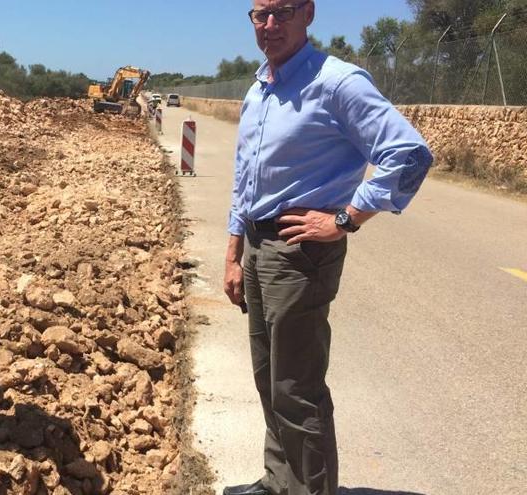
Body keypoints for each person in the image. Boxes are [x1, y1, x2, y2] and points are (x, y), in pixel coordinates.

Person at [222, 1, 432, 494]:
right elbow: (245, 180)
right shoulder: (260, 87)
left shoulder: (337, 82)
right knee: (268, 377)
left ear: (309, 13)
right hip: (257, 245)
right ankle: (279, 482)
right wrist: (233, 252)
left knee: (298, 390)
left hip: (299, 254)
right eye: (259, 15)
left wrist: (345, 218)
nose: (270, 25)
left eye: (283, 11)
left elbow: (409, 155)